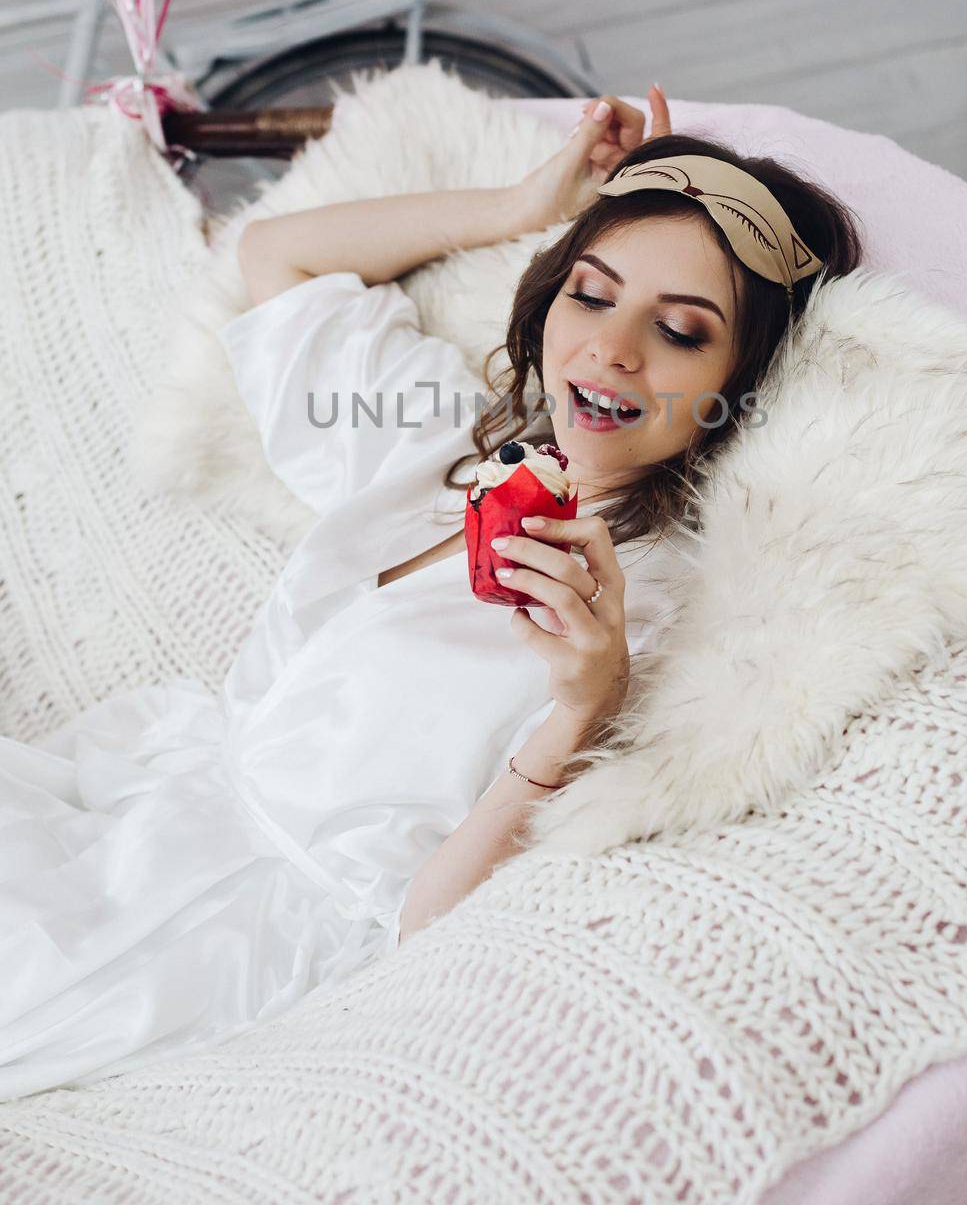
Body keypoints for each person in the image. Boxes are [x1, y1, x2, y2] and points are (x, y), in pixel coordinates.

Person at [0, 87, 863, 1099]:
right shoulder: (446, 450)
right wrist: (521, 201)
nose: (611, 348)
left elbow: (427, 921)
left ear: (739, 382)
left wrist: (582, 708)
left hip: (223, 945)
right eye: (590, 293)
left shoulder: (657, 617)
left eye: (678, 330)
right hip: (132, 800)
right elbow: (276, 256)